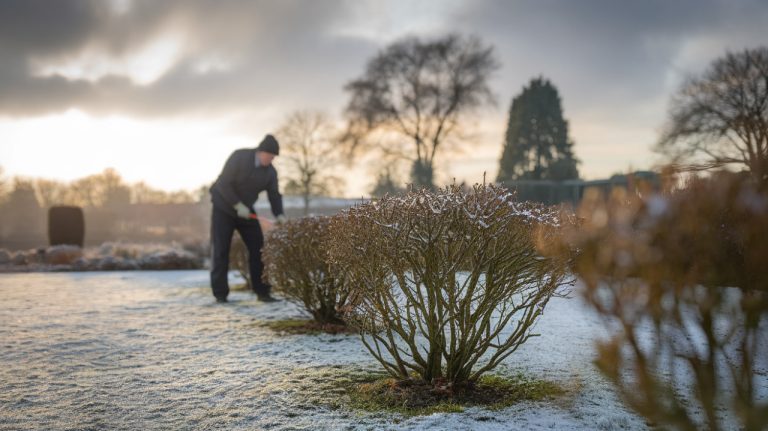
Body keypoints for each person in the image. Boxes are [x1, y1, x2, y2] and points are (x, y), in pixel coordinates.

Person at [209, 134, 287, 303]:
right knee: (221, 250)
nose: (271, 159)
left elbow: (274, 195)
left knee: (258, 248)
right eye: (270, 156)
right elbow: (223, 183)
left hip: (246, 211)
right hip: (223, 207)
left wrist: (279, 214)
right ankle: (220, 294)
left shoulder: (270, 172)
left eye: (274, 157)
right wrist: (236, 205)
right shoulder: (239, 157)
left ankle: (262, 292)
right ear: (260, 151)